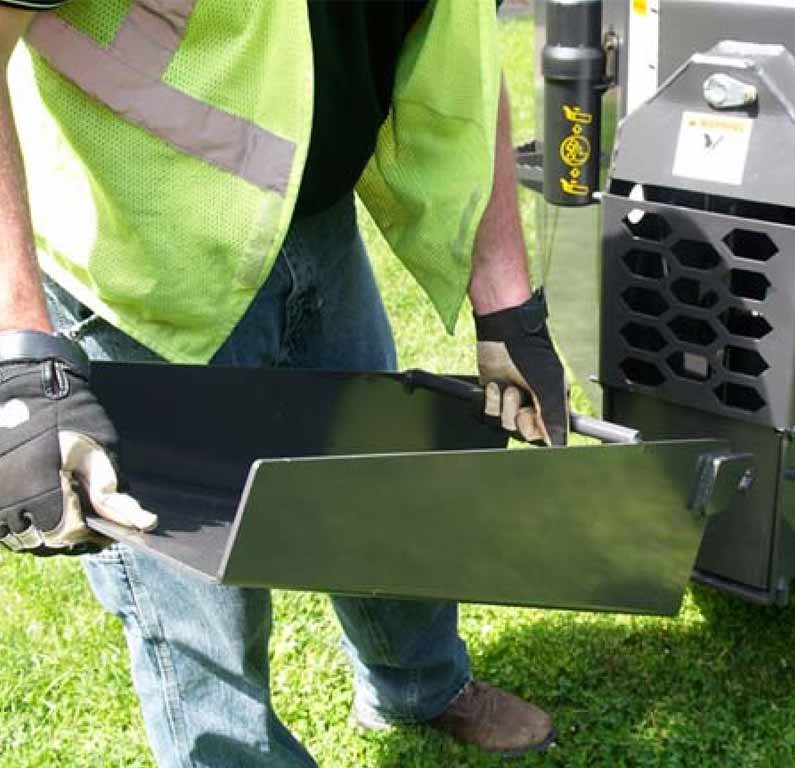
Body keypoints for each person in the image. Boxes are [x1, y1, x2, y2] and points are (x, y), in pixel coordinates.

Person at [0, 1, 569, 763]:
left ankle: (419, 685)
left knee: (383, 482)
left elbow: (461, 62)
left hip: (314, 224)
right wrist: (20, 352)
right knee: (203, 599)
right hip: (139, 268)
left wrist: (507, 307)